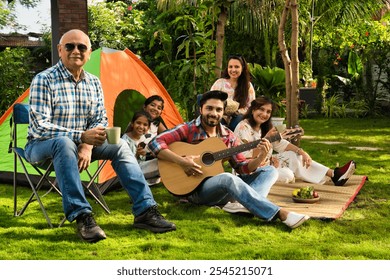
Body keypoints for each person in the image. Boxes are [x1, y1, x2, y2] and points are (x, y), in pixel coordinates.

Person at [24, 29, 176, 243]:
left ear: (89, 53)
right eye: (70, 46)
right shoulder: (44, 80)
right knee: (63, 142)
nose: (76, 51)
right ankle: (82, 215)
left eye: (82, 47)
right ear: (60, 50)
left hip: (79, 147)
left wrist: (86, 146)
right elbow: (40, 127)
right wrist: (81, 137)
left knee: (121, 145)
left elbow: (100, 119)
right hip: (41, 148)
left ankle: (145, 211)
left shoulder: (93, 82)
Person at [148, 90, 310, 229]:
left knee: (269, 171)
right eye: (209, 108)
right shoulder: (189, 128)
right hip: (194, 191)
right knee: (227, 178)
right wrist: (181, 162)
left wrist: (260, 155)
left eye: (218, 109)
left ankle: (243, 206)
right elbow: (155, 142)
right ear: (200, 109)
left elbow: (242, 167)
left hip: (219, 190)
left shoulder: (227, 136)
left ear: (223, 112)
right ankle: (280, 213)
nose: (214, 113)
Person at [234, 96, 356, 186]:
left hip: (268, 165)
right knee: (288, 175)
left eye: (268, 112)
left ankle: (334, 174)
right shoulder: (243, 127)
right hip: (249, 173)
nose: (264, 114)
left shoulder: (265, 127)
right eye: (261, 109)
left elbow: (281, 144)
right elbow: (245, 159)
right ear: (253, 109)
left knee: (293, 156)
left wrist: (301, 152)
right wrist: (266, 142)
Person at [210, 54, 256, 131]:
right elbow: (210, 101)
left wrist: (237, 111)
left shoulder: (247, 85)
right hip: (220, 115)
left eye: (237, 67)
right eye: (230, 67)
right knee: (217, 122)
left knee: (239, 121)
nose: (233, 70)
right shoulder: (219, 83)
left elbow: (251, 106)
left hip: (238, 117)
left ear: (242, 68)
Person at [122, 111, 160, 185]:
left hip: (143, 167)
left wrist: (151, 154)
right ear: (132, 124)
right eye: (138, 123)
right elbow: (126, 164)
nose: (141, 127)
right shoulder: (125, 140)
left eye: (145, 125)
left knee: (161, 161)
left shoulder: (147, 138)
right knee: (158, 165)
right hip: (132, 170)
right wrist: (136, 154)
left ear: (148, 128)